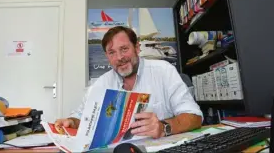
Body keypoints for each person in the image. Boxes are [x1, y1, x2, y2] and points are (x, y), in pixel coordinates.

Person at [55, 26, 203, 139]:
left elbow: (194, 117)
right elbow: (81, 117)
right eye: (112, 52)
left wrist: (163, 127)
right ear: (107, 56)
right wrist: (72, 122)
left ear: (137, 48)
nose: (119, 57)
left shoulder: (164, 71)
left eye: (124, 49)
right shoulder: (100, 84)